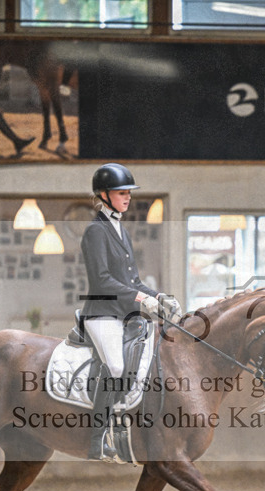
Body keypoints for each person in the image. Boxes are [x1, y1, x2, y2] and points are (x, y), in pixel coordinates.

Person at [80, 163, 181, 461]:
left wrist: (158, 296)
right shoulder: (95, 231)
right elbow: (102, 280)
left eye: (128, 193)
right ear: (104, 195)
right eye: (122, 193)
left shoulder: (120, 230)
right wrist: (140, 298)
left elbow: (132, 281)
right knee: (114, 366)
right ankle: (97, 439)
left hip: (124, 314)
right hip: (101, 314)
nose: (127, 198)